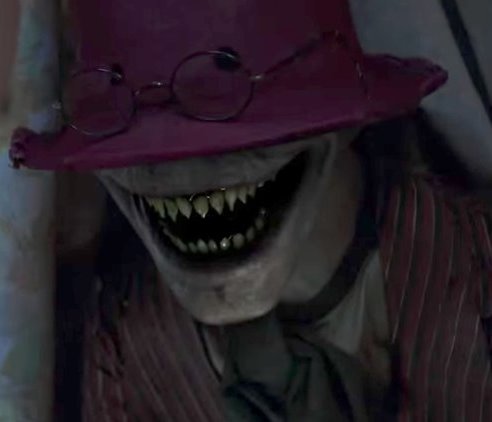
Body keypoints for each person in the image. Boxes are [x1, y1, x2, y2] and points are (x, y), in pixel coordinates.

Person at [4, 0, 492, 420]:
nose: (181, 166)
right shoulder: (125, 346)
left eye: (233, 106)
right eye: (133, 138)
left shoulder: (476, 267)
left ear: (344, 121)